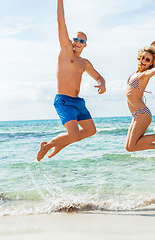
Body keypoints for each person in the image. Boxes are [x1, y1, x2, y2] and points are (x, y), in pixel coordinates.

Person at [37, 0, 106, 161]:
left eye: (81, 41)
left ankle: (61, 144)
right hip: (63, 101)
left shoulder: (85, 63)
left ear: (85, 45)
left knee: (91, 131)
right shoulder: (65, 51)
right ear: (71, 40)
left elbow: (98, 76)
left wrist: (102, 83)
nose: (77, 43)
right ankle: (47, 146)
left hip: (78, 103)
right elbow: (61, 21)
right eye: (76, 39)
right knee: (74, 134)